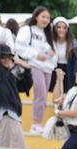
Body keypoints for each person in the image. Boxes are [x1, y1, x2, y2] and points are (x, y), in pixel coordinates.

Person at [15, 7, 56, 136]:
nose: (46, 20)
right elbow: (20, 47)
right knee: (41, 94)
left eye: (48, 18)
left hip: (48, 68)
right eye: (43, 16)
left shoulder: (47, 33)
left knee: (43, 97)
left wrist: (51, 54)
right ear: (36, 16)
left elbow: (51, 51)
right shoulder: (27, 30)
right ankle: (35, 123)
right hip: (35, 65)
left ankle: (39, 123)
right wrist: (35, 55)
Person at [50, 17, 77, 97]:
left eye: (64, 28)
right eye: (58, 27)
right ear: (54, 29)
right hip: (53, 70)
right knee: (54, 95)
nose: (61, 30)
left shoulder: (73, 43)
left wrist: (76, 76)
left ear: (67, 29)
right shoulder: (50, 42)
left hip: (68, 70)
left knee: (67, 95)